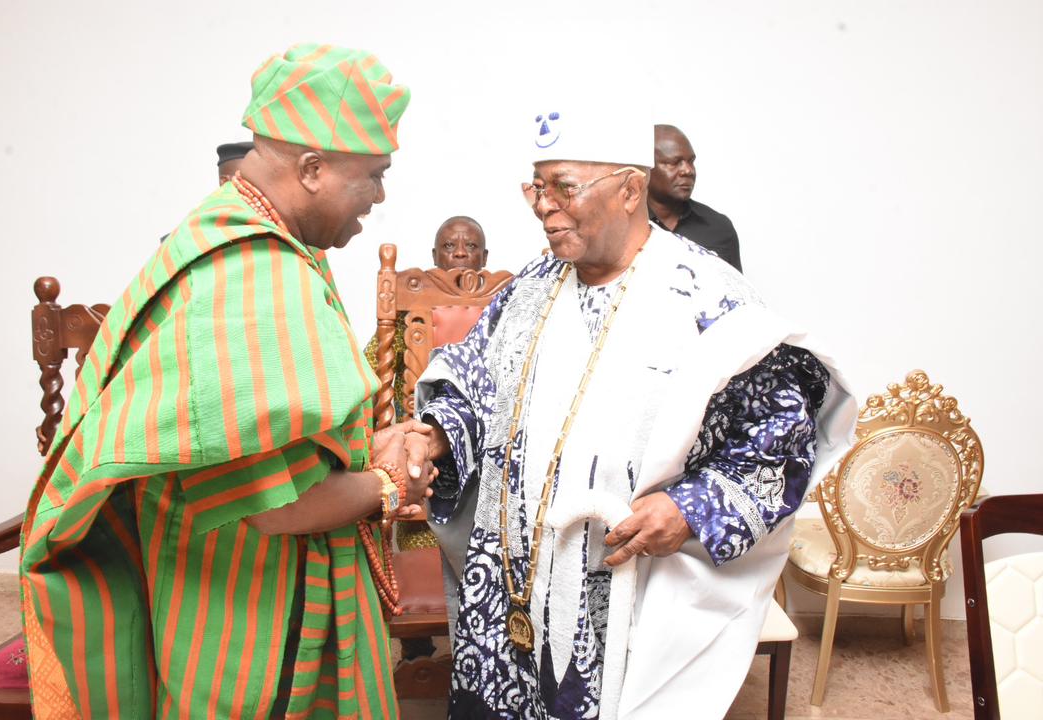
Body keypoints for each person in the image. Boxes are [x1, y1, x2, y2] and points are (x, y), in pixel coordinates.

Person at [19, 43, 432, 719]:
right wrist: (391, 483)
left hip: (218, 595)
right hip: (256, 635)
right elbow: (283, 506)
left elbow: (280, 434)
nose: (380, 196)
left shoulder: (231, 232)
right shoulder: (256, 273)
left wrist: (368, 446)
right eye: (374, 176)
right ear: (311, 168)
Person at [414, 99, 856, 719]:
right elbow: (476, 379)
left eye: (563, 187)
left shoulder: (708, 297)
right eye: (535, 188)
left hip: (626, 589)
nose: (544, 205)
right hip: (507, 585)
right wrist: (433, 433)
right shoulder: (533, 284)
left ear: (629, 190)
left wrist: (689, 507)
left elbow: (778, 441)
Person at [364, 214, 490, 424]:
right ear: (435, 255)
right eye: (449, 246)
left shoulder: (502, 310)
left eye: (471, 246)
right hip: (414, 429)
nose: (459, 253)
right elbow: (369, 371)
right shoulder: (410, 309)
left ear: (484, 257)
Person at [648, 124, 743, 272]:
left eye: (691, 161)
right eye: (674, 163)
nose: (688, 170)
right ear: (646, 168)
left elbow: (736, 293)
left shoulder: (719, 229)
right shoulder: (622, 227)